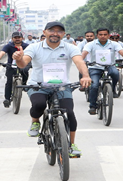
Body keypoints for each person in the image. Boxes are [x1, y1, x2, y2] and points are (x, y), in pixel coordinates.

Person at [12, 21, 92, 157]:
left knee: (70, 113)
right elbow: (23, 63)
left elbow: (79, 61)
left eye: (59, 31)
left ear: (63, 34)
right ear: (44, 32)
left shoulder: (70, 48)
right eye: (51, 30)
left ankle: (71, 145)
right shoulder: (34, 47)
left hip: (62, 86)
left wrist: (85, 76)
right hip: (39, 85)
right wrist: (19, 59)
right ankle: (35, 122)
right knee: (39, 104)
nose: (55, 33)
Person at [81, 28, 123, 115]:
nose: (103, 36)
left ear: (108, 35)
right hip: (95, 67)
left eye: (105, 34)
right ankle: (92, 106)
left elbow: (122, 52)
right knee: (94, 85)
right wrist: (81, 60)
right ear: (97, 35)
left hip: (110, 66)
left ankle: (112, 89)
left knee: (115, 73)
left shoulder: (114, 44)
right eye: (100, 34)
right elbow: (84, 53)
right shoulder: (91, 44)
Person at [0, 31, 30, 108]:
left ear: (22, 38)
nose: (17, 39)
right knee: (9, 81)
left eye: (19, 37)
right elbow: (2, 53)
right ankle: (7, 99)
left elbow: (32, 54)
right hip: (11, 65)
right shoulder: (9, 46)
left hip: (23, 65)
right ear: (12, 38)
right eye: (15, 38)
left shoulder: (27, 46)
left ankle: (23, 84)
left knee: (25, 71)